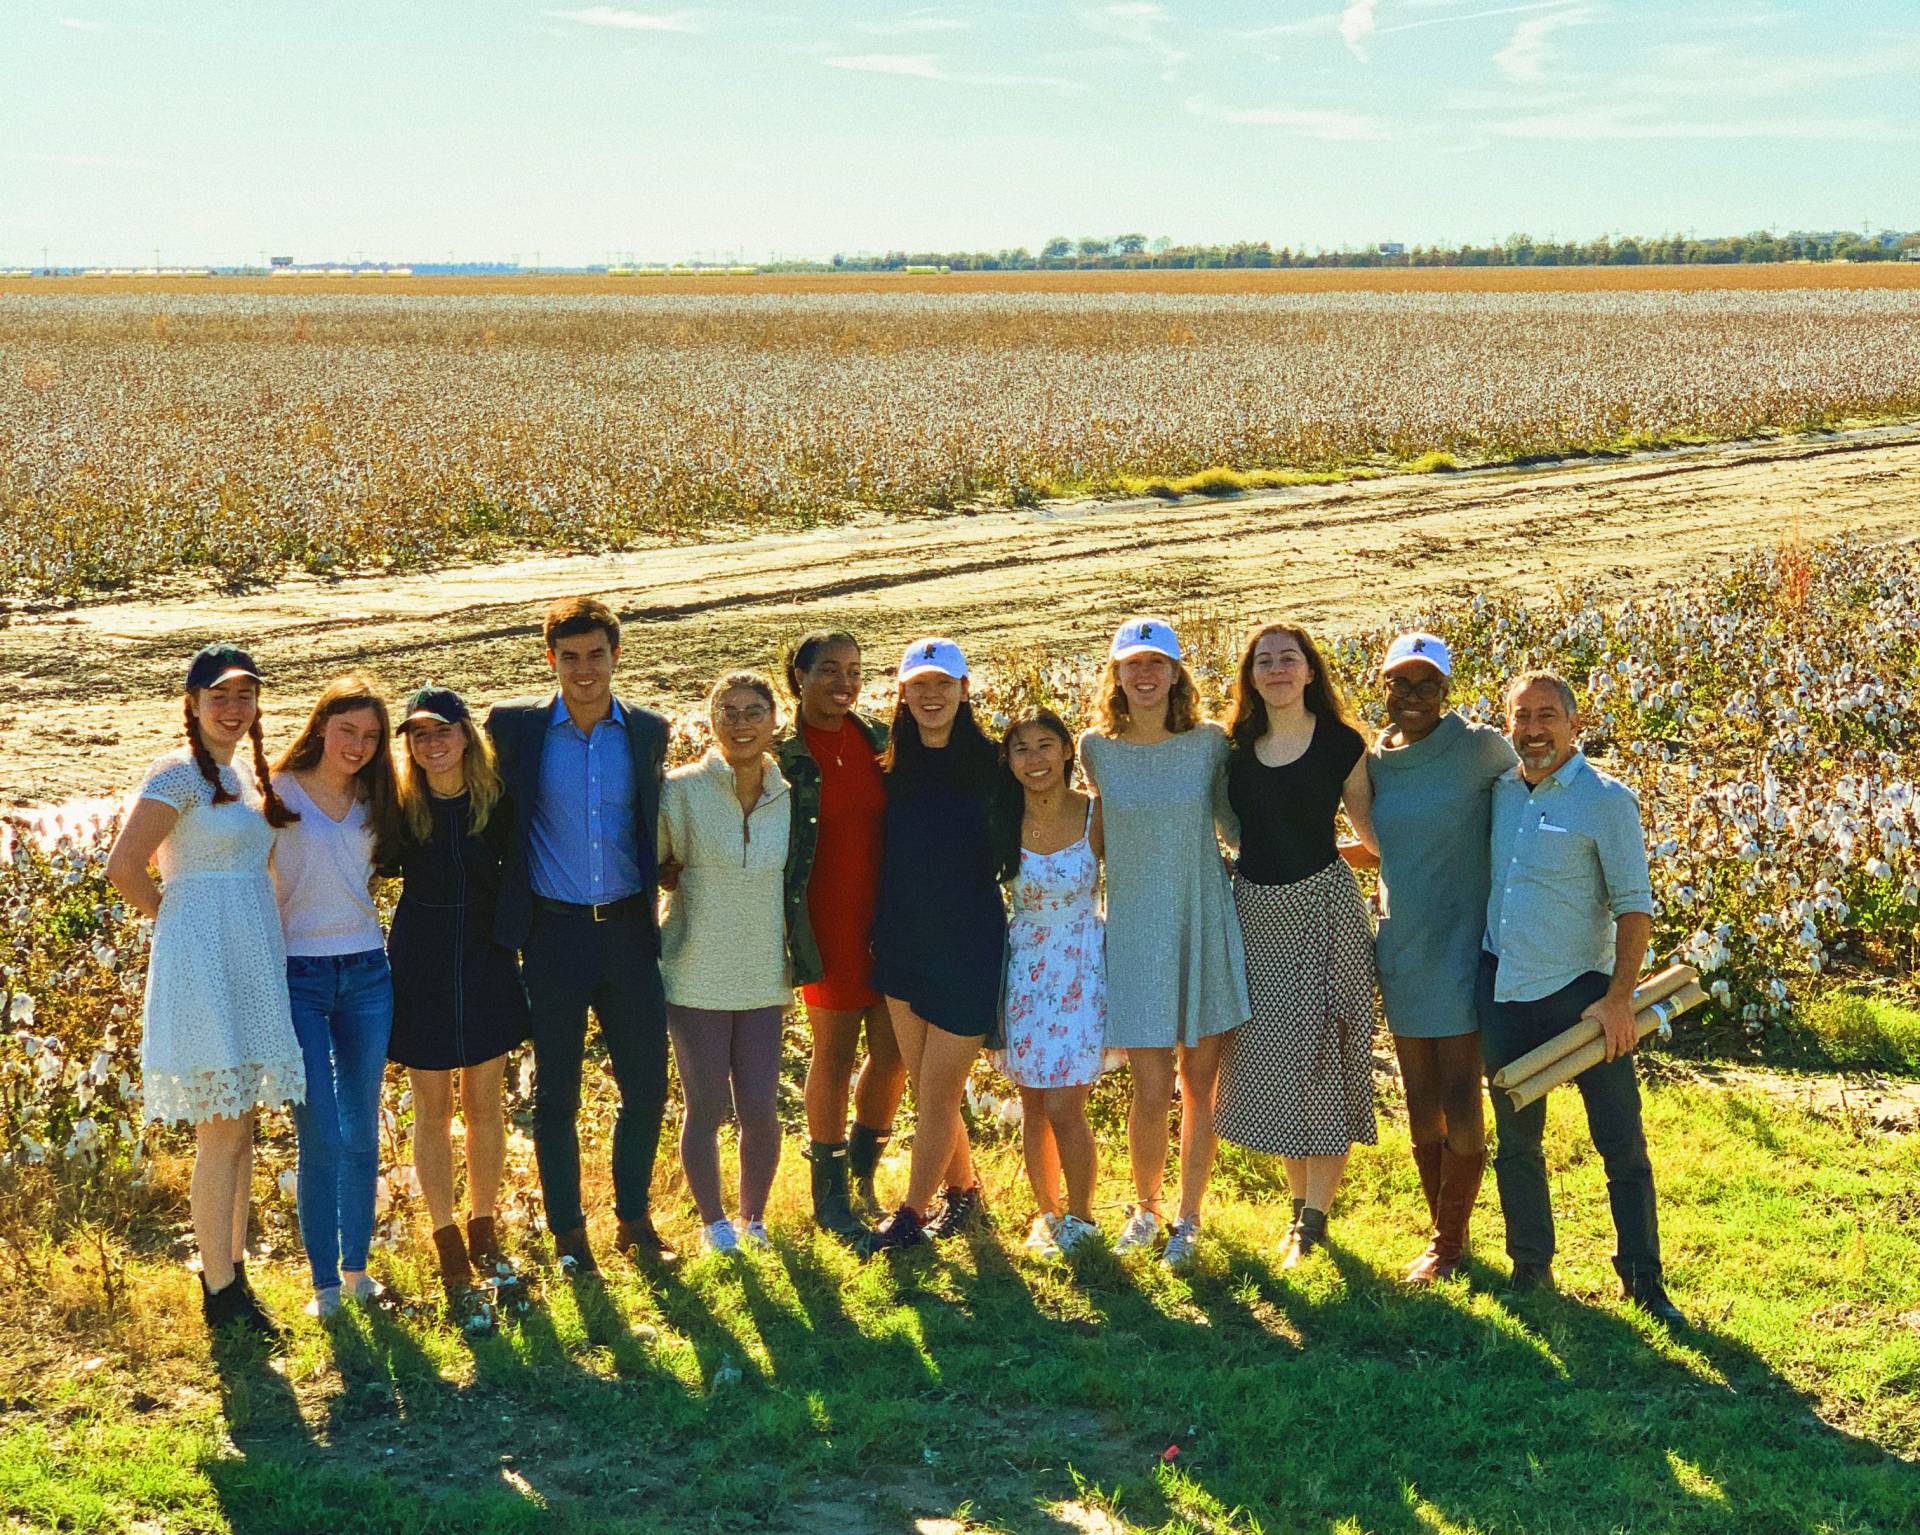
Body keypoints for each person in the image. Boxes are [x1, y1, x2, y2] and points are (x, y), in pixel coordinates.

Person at [106, 644, 305, 1344]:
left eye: (245, 694)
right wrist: (177, 923)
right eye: (218, 694)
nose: (232, 706)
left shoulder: (245, 775)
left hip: (248, 958)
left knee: (242, 1128)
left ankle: (234, 1265)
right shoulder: (176, 773)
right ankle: (219, 1290)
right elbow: (125, 866)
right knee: (219, 1132)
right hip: (202, 963)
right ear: (192, 702)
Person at [1479, 671, 1684, 1328]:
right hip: (1504, 988)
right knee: (1516, 1141)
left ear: (1574, 724)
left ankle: (1645, 1281)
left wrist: (1620, 999)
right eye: (1521, 717)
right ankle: (1530, 1269)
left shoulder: (1604, 801)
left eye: (1547, 716)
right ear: (1508, 725)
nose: (1533, 730)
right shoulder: (1501, 792)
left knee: (1620, 1140)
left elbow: (1635, 909)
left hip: (1583, 999)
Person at [487, 596, 673, 1278]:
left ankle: (632, 1219)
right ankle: (570, 1235)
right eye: (570, 657)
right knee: (556, 1098)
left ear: (616, 656)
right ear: (551, 660)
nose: (585, 669)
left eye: (597, 654)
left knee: (647, 1088)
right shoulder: (516, 730)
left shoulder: (648, 732)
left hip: (628, 932)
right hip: (553, 936)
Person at [1080, 618, 1249, 1270]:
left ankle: (1189, 1217)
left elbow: (1236, 829)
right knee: (1150, 1088)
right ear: (1116, 674)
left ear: (1177, 672)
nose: (1145, 675)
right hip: (1134, 932)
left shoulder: (1209, 744)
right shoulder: (1097, 748)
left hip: (1201, 924)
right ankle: (1146, 1208)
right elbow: (1087, 833)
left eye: (1157, 663)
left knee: (1197, 1085)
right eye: (1132, 664)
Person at [1215, 623, 1378, 1268]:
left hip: (1327, 910)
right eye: (1265, 661)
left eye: (1290, 659)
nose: (1278, 669)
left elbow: (1371, 829)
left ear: (1310, 671)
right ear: (1251, 677)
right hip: (1258, 913)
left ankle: (1313, 1219)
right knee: (1279, 1059)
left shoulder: (1342, 744)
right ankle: (1298, 1211)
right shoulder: (1233, 749)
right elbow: (1228, 824)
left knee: (1327, 1056)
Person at [1356, 633, 1517, 1284]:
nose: (1414, 697)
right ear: (1384, 689)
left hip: (1461, 943)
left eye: (1427, 685)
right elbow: (1383, 844)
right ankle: (1444, 1238)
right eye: (1401, 684)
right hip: (1403, 945)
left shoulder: (1479, 748)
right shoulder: (1375, 762)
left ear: (1447, 691)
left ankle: (1447, 1248)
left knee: (1459, 1094)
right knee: (1420, 1101)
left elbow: (1535, 793)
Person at [384, 686, 531, 1333]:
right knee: (432, 1108)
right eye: (418, 734)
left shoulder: (495, 800)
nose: (431, 743)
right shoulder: (399, 808)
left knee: (483, 1103)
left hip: (486, 957)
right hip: (420, 961)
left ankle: (484, 1227)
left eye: (442, 730)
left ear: (466, 735)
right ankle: (446, 1241)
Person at [861, 638, 1011, 1254]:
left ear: (964, 690)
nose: (931, 695)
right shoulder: (888, 769)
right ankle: (967, 1196)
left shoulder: (995, 766)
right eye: (919, 684)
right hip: (901, 942)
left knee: (939, 1093)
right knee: (928, 1088)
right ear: (903, 692)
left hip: (968, 943)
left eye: (943, 683)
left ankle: (909, 1217)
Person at [270, 674, 401, 1317]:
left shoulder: (378, 797)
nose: (358, 744)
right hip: (298, 974)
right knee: (318, 1129)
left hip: (367, 973)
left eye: (371, 736)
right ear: (321, 725)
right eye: (347, 729)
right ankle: (322, 1282)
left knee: (360, 1128)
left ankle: (356, 1270)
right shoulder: (276, 792)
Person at [657, 672, 793, 1256]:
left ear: (774, 720)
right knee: (706, 1103)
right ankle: (714, 1225)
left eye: (753, 711)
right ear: (711, 722)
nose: (741, 723)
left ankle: (753, 1219)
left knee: (761, 1106)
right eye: (729, 712)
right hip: (694, 967)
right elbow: (653, 865)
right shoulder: (680, 790)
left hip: (764, 969)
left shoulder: (791, 796)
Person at [774, 630, 904, 1239]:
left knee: (894, 1054)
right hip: (824, 923)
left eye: (853, 670)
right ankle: (827, 1196)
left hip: (891, 920)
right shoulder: (783, 753)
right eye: (828, 670)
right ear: (798, 677)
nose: (844, 683)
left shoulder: (880, 740)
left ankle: (860, 1178)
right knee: (833, 1053)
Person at [999, 711, 1106, 1260]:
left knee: (1067, 1102)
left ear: (1067, 751)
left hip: (1082, 963)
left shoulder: (1094, 813)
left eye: (1046, 745)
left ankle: (1083, 1218)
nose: (1035, 759)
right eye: (1021, 749)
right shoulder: (1002, 817)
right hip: (1025, 965)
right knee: (1034, 1101)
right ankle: (1047, 1215)